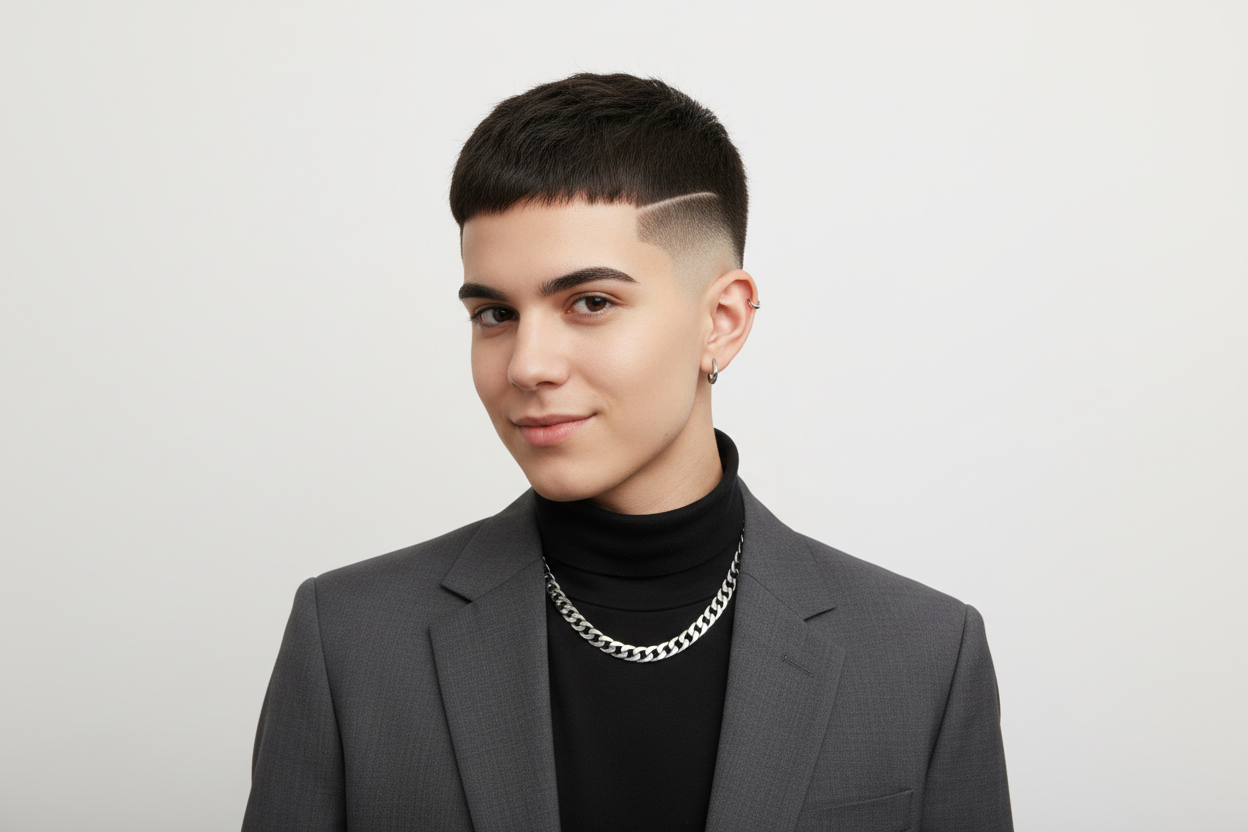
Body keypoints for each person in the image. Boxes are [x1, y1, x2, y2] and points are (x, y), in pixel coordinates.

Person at [242, 73, 1013, 832]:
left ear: (722, 321)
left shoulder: (924, 655)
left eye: (590, 302)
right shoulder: (350, 640)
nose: (527, 366)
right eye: (495, 314)